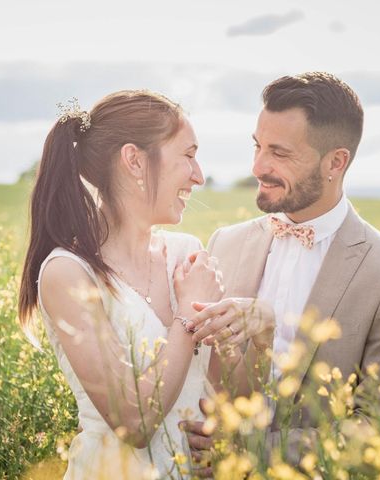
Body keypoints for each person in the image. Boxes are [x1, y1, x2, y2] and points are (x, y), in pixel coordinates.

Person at [181, 72, 380, 472]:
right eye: (257, 146)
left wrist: (247, 450)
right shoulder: (224, 243)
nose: (258, 166)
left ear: (336, 162)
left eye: (279, 153)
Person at [17, 90, 270, 479]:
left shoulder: (186, 255)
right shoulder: (67, 273)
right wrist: (188, 314)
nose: (198, 175)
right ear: (134, 160)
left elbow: (225, 394)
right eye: (187, 155)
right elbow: (133, 422)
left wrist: (258, 331)